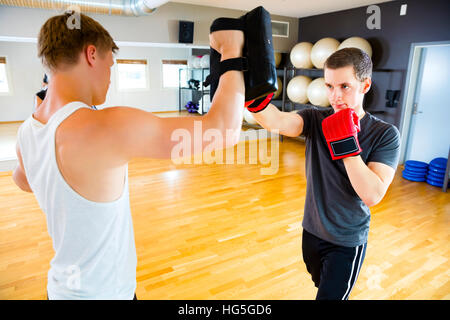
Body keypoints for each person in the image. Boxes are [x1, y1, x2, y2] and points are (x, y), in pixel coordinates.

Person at [12, 11, 246, 299]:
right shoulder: (105, 127)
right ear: (91, 55)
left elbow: (23, 180)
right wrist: (232, 51)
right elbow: (223, 131)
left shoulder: (27, 130)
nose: (111, 78)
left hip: (60, 290)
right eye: (111, 65)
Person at [245, 47, 400, 300]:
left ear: (366, 85)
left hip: (346, 242)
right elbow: (276, 121)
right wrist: (251, 92)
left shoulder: (385, 133)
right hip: (312, 232)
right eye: (329, 86)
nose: (335, 96)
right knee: (322, 287)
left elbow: (372, 194)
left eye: (344, 86)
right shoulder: (316, 119)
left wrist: (346, 143)